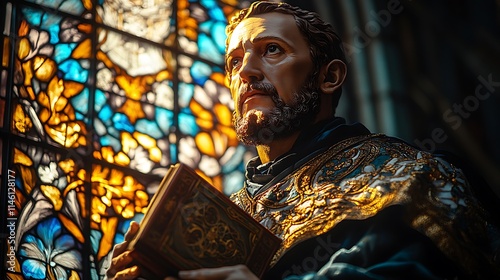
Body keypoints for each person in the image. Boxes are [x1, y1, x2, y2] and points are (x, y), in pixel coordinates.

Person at [106, 1, 500, 279]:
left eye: (271, 50)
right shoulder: (227, 217)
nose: (245, 72)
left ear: (329, 77)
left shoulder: (404, 172)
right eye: (233, 62)